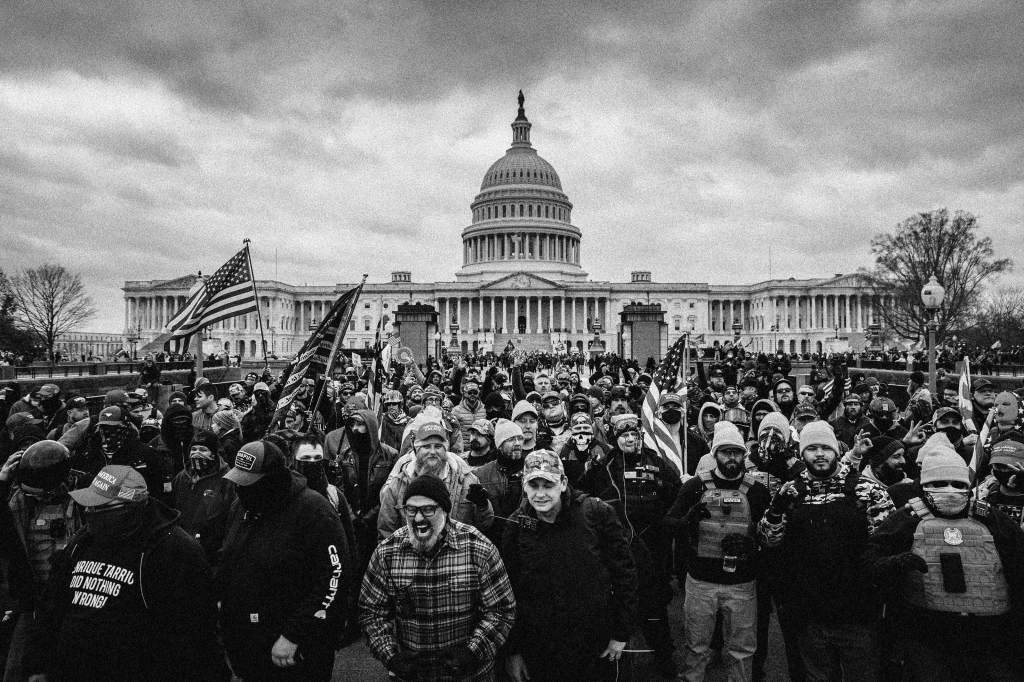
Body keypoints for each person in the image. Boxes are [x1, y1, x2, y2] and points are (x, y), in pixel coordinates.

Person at [24, 465, 227, 681]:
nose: (89, 513)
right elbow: (53, 605)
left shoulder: (173, 550)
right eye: (89, 506)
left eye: (99, 507)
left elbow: (194, 633)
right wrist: (38, 663)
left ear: (129, 507)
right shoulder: (83, 541)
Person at [865, 434, 1024, 679]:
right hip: (928, 635)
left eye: (958, 484)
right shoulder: (907, 519)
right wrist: (896, 564)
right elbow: (871, 562)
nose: (950, 491)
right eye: (939, 484)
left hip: (988, 637)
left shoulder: (990, 518)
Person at [758, 421, 895, 681]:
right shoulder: (791, 491)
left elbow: (884, 546)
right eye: (812, 449)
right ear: (802, 454)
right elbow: (768, 540)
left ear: (835, 450)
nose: (819, 454)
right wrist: (776, 510)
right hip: (810, 614)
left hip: (858, 614)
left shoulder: (868, 491)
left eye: (825, 448)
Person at [359, 474, 516, 681]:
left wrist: (472, 652)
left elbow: (501, 610)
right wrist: (391, 656)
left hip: (470, 675)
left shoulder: (479, 548)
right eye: (411, 509)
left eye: (428, 509)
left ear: (444, 510)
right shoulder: (387, 553)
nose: (418, 518)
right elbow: (371, 612)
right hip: (413, 676)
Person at [217, 440, 349, 681]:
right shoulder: (241, 507)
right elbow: (230, 558)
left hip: (295, 649)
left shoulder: (314, 511)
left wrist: (294, 634)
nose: (240, 489)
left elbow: (333, 578)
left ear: (272, 479)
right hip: (249, 642)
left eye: (248, 483)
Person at [502, 450, 638, 682]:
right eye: (533, 485)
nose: (541, 494)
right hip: (541, 647)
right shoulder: (516, 526)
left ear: (563, 483)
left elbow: (625, 575)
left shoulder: (597, 514)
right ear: (525, 487)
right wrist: (513, 651)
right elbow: (509, 593)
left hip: (594, 643)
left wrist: (620, 633)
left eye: (548, 485)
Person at [577, 413, 682, 677]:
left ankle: (665, 659)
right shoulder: (603, 466)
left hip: (653, 548)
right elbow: (580, 494)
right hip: (616, 549)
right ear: (615, 436)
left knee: (655, 608)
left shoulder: (657, 463)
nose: (630, 439)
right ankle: (612, 661)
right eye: (624, 435)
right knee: (618, 605)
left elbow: (677, 496)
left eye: (634, 434)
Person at [671, 422, 771, 682]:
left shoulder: (758, 492)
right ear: (715, 454)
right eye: (725, 452)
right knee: (696, 646)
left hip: (742, 584)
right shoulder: (694, 487)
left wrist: (754, 546)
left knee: (741, 650)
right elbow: (667, 525)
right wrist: (688, 522)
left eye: (737, 452)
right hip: (701, 582)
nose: (731, 457)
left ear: (744, 455)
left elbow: (772, 536)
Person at [2, 440, 84, 681]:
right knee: (17, 669)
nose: (31, 497)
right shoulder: (17, 499)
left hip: (70, 600)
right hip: (34, 600)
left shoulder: (81, 495)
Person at [378, 422, 493, 540]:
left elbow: (485, 525)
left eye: (438, 446)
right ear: (416, 449)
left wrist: (483, 506)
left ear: (446, 449)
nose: (432, 452)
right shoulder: (398, 485)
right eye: (426, 446)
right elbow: (386, 532)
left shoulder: (467, 481)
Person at [171, 429, 235, 564]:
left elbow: (231, 517)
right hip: (182, 544)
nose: (197, 453)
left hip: (210, 550)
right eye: (193, 449)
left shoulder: (227, 480)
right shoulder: (181, 477)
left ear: (213, 453)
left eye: (203, 449)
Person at [472, 419, 525, 545]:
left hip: (524, 541)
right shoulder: (481, 475)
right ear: (499, 445)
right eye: (511, 439)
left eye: (520, 438)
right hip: (493, 541)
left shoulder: (532, 470)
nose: (517, 443)